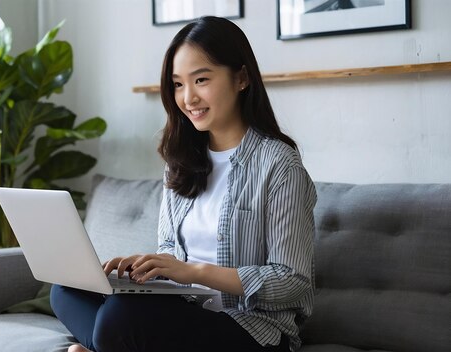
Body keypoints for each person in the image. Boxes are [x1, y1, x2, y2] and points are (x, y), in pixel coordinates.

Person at [50, 16, 316, 352]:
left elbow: (291, 279)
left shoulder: (279, 164)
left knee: (120, 317)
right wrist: (146, 266)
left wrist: (193, 271)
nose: (188, 98)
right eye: (177, 84)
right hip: (188, 311)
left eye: (201, 80)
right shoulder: (181, 160)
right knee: (67, 290)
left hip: (251, 327)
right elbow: (171, 253)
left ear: (242, 78)